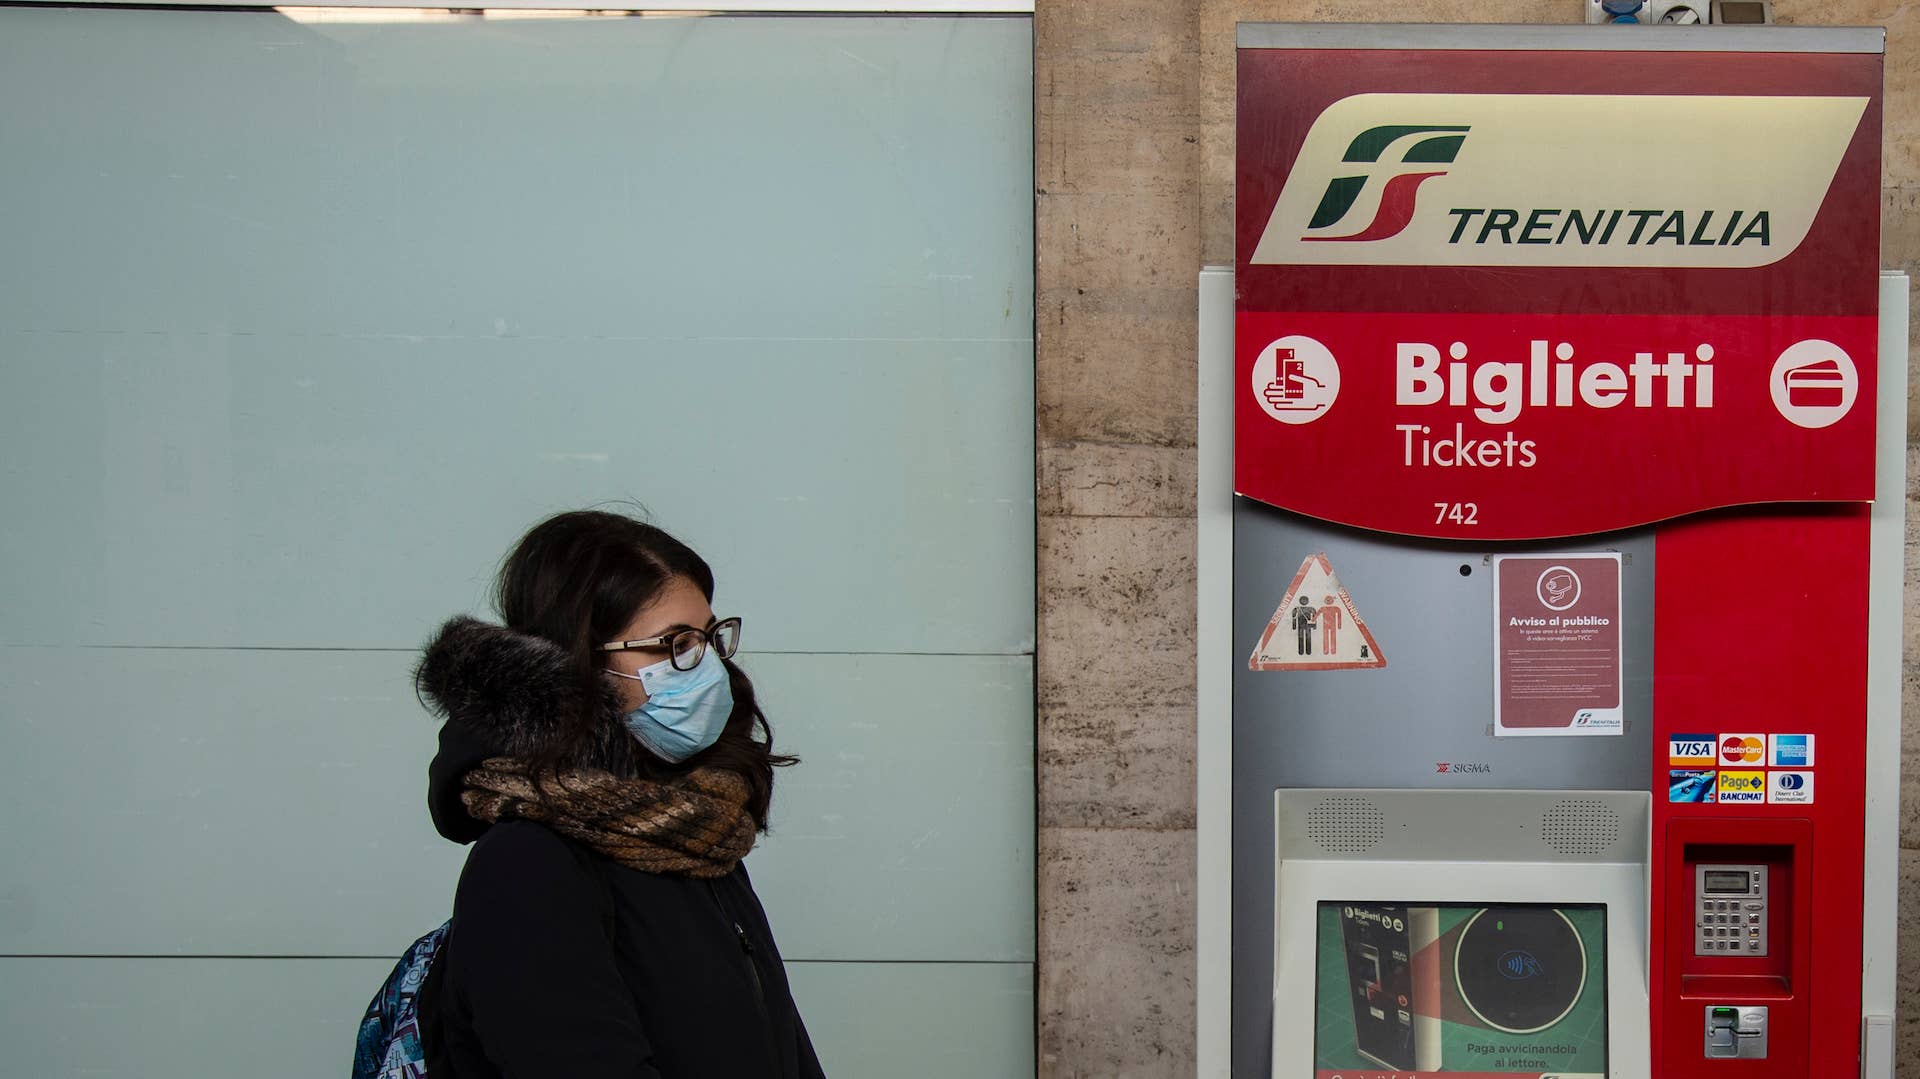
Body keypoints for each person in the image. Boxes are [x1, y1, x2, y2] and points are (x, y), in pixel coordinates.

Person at [411, 509, 825, 1078]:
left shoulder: (696, 837)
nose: (707, 669)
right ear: (577, 664)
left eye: (709, 637)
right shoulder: (528, 864)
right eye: (673, 644)